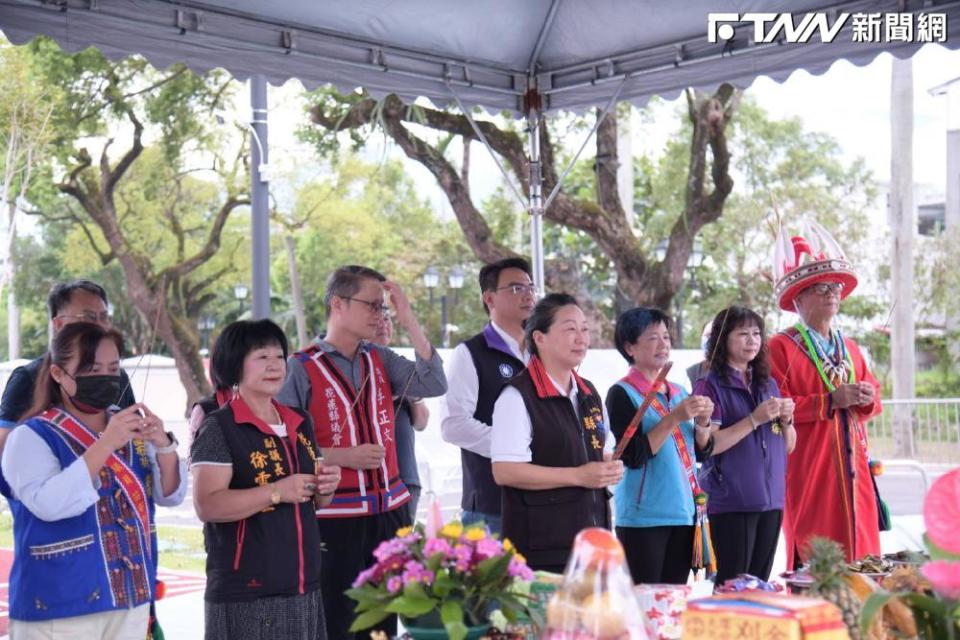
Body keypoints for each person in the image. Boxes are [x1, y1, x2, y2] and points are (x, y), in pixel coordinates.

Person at [277, 265, 446, 640]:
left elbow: (435, 382)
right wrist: (340, 456)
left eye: (384, 308)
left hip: (389, 512)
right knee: (339, 621)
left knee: (383, 622)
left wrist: (409, 319)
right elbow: (281, 445)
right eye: (373, 305)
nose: (380, 315)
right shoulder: (301, 367)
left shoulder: (380, 359)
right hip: (336, 517)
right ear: (338, 304)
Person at [0, 322, 186, 639]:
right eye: (91, 368)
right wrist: (105, 444)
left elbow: (169, 495)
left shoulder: (128, 425)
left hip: (129, 598)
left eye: (113, 368)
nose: (105, 377)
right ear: (59, 374)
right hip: (58, 605)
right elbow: (49, 504)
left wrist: (163, 444)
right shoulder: (30, 436)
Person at [191, 319, 341, 640]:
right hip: (248, 592)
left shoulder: (300, 421)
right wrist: (276, 491)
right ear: (235, 366)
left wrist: (325, 486)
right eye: (262, 357)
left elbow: (317, 501)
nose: (274, 365)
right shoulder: (219, 427)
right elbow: (208, 505)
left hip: (304, 584)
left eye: (279, 356)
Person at [768, 221, 883, 568]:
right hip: (810, 466)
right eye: (821, 288)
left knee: (863, 557)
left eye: (835, 288)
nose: (832, 294)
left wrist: (864, 397)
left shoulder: (849, 347)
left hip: (854, 465)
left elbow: (873, 398)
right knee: (817, 553)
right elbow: (776, 408)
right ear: (799, 298)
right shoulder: (780, 347)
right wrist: (830, 401)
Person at [490, 293, 623, 573]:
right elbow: (505, 471)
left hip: (591, 541)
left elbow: (602, 448)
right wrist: (578, 475)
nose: (581, 338)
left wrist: (608, 467)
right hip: (541, 549)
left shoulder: (588, 392)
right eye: (570, 329)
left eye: (584, 329)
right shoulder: (517, 396)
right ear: (539, 338)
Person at [606, 307, 716, 585]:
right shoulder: (621, 393)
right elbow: (631, 456)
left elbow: (700, 451)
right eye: (652, 337)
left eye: (666, 337)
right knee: (643, 603)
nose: (663, 344)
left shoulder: (678, 390)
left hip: (684, 511)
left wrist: (703, 421)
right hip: (644, 517)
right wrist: (674, 418)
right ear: (629, 346)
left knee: (673, 603)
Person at [692, 306, 796, 584]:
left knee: (759, 586)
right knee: (732, 587)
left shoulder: (768, 383)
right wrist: (753, 419)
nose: (752, 341)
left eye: (756, 334)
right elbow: (708, 446)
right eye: (742, 334)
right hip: (732, 503)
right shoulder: (709, 385)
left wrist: (787, 420)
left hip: (771, 501)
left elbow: (788, 446)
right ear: (723, 339)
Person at [441, 257, 535, 534]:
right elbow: (454, 425)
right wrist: (517, 447)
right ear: (489, 298)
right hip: (490, 504)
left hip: (543, 499)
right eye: (516, 288)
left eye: (530, 287)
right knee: (494, 578)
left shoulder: (542, 350)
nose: (528, 294)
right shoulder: (470, 353)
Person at [0, 280, 136, 451]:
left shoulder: (119, 378)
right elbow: (5, 446)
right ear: (58, 324)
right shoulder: (27, 378)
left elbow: (135, 440)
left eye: (103, 317)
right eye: (88, 318)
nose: (99, 326)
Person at [373, 312, 429, 523]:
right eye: (377, 318)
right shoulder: (356, 367)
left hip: (406, 477)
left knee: (401, 551)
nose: (383, 324)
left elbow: (422, 422)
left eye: (387, 318)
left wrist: (413, 395)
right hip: (374, 482)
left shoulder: (399, 365)